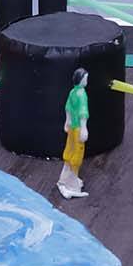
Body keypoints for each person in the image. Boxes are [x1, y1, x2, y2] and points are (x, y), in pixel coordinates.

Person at [58, 67, 90, 198]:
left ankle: (64, 180)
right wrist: (84, 128)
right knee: (76, 155)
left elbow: (68, 108)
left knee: (69, 152)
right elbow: (83, 113)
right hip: (77, 129)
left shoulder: (72, 92)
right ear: (81, 80)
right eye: (86, 78)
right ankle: (71, 185)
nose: (87, 81)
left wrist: (67, 122)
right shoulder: (81, 94)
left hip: (72, 127)